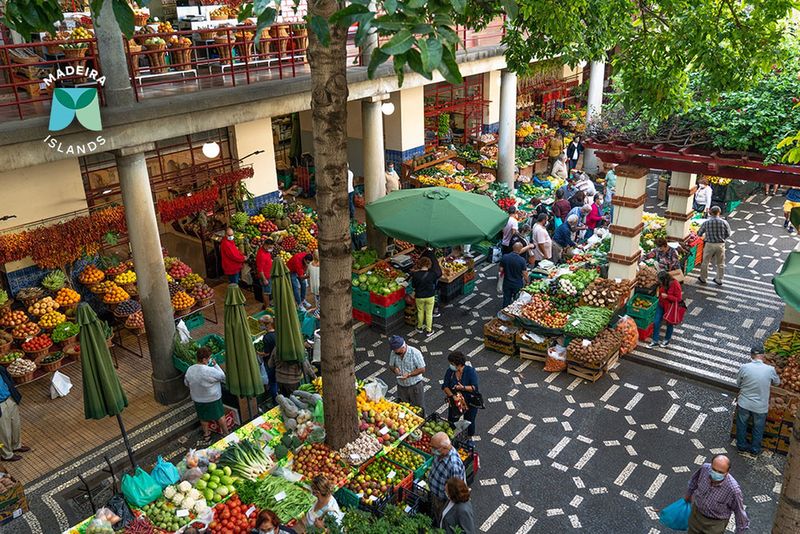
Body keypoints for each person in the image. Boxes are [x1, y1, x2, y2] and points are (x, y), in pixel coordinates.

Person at [684, 455, 749, 534]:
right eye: (714, 470)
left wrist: (740, 532)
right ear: (711, 465)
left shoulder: (733, 489)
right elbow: (693, 482)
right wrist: (688, 495)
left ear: (727, 472)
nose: (716, 474)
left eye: (720, 472)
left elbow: (739, 512)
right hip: (696, 514)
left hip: (715, 524)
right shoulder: (704, 469)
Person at [736, 346, 780, 455]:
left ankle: (741, 446)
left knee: (742, 425)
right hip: (760, 406)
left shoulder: (744, 367)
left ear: (751, 355)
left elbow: (738, 383)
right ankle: (755, 450)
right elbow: (777, 383)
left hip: (744, 403)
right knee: (758, 428)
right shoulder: (770, 369)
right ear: (763, 355)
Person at [184, 347, 228, 442]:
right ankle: (226, 433)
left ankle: (206, 434)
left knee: (203, 418)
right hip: (213, 398)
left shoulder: (190, 369)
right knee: (220, 416)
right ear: (204, 359)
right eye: (209, 358)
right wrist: (216, 366)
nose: (210, 360)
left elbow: (186, 383)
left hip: (198, 399)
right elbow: (223, 377)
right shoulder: (209, 371)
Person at [429, 432, 467, 524]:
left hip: (443, 502)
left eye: (434, 448)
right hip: (435, 496)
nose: (432, 450)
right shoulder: (440, 453)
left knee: (443, 520)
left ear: (445, 448)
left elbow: (455, 491)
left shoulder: (454, 465)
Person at [442, 351, 479, 438]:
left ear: (459, 365)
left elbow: (474, 387)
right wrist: (452, 396)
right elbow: (445, 386)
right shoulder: (450, 371)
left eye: (452, 363)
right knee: (452, 420)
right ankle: (451, 437)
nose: (450, 365)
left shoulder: (470, 371)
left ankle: (468, 437)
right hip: (455, 402)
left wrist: (462, 388)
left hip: (469, 401)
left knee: (470, 421)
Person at [388, 335, 426, 415]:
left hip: (415, 386)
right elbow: (391, 366)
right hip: (401, 387)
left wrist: (409, 374)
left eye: (397, 350)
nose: (395, 352)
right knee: (403, 408)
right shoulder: (394, 353)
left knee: (418, 409)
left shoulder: (415, 353)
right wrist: (394, 369)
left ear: (403, 347)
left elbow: (422, 369)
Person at [0, 365, 29, 462]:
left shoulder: (0, 368)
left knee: (15, 424)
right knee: (4, 432)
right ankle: (6, 454)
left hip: (10, 398)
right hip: (0, 405)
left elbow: (8, 379)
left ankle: (16, 445)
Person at [697, 206, 731, 286]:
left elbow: (699, 233)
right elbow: (728, 234)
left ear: (710, 212)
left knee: (705, 262)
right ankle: (719, 279)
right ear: (719, 212)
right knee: (720, 263)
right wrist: (722, 238)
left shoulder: (706, 222)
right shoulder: (724, 222)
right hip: (720, 244)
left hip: (709, 244)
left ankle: (703, 278)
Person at [649, 270, 682, 348]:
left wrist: (667, 296)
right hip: (661, 304)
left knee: (669, 324)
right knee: (656, 322)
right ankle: (655, 340)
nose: (659, 282)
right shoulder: (663, 284)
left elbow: (678, 299)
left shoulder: (675, 284)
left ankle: (667, 339)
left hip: (670, 307)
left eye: (660, 280)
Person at [411, 257, 439, 335]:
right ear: (429, 264)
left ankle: (419, 327)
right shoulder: (432, 274)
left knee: (420, 312)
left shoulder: (415, 275)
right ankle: (429, 330)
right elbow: (434, 283)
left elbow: (413, 285)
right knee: (429, 313)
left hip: (419, 296)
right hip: (430, 296)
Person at [499, 242, 529, 307]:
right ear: (520, 249)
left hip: (507, 283)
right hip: (517, 284)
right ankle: (513, 314)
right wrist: (527, 282)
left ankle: (504, 314)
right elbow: (525, 274)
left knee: (506, 299)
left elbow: (500, 270)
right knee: (517, 300)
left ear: (513, 248)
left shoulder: (505, 257)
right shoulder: (522, 260)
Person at [258, 315, 278, 404]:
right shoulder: (277, 332)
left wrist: (257, 353)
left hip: (270, 362)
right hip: (278, 361)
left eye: (261, 324)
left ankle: (275, 401)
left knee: (273, 382)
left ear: (267, 325)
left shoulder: (267, 337)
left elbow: (267, 353)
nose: (260, 326)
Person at [255, 239, 274, 309]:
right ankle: (267, 306)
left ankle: (267, 304)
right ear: (265, 246)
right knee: (266, 292)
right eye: (270, 247)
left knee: (268, 291)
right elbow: (260, 269)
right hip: (265, 277)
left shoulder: (266, 251)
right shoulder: (261, 255)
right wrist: (264, 279)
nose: (271, 249)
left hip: (269, 274)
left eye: (272, 247)